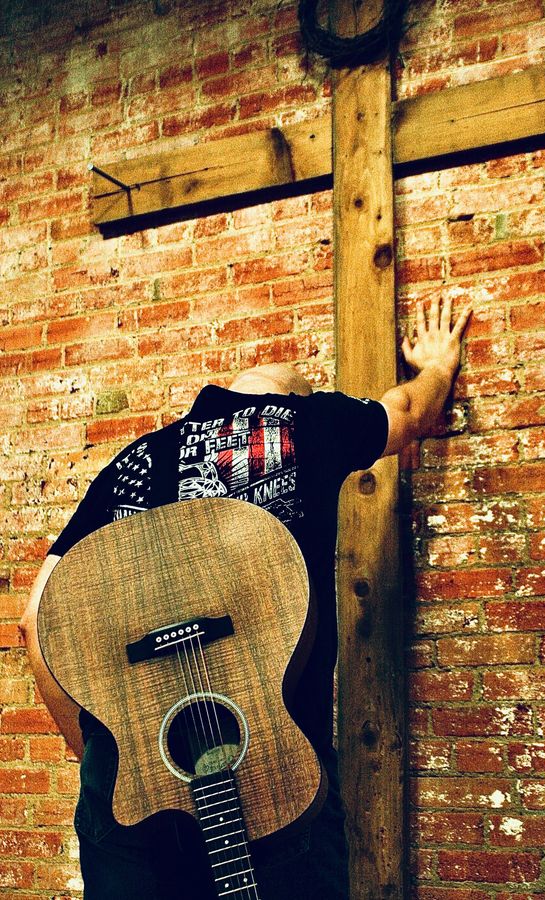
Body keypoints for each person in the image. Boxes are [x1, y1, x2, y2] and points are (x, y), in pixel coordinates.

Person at [20, 295, 471, 899]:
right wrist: (438, 366)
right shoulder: (308, 424)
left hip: (130, 784)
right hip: (268, 776)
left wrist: (104, 754)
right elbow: (409, 410)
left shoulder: (132, 460)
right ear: (294, 399)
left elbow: (34, 620)